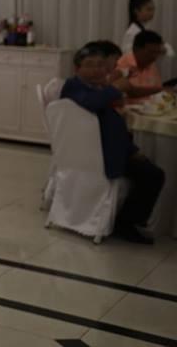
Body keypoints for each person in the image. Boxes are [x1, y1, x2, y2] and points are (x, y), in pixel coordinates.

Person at [60, 42, 165, 244]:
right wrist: (114, 88)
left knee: (149, 170)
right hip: (97, 157)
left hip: (102, 150)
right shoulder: (74, 87)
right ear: (77, 69)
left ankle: (129, 219)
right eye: (90, 65)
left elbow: (112, 127)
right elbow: (92, 103)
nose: (97, 69)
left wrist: (132, 149)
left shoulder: (96, 88)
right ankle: (127, 223)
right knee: (153, 175)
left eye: (101, 65)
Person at [116, 30, 173, 104]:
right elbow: (130, 92)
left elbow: (158, 92)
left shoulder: (152, 65)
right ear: (136, 49)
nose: (154, 57)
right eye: (151, 52)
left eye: (157, 53)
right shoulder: (122, 65)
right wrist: (161, 89)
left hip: (150, 108)